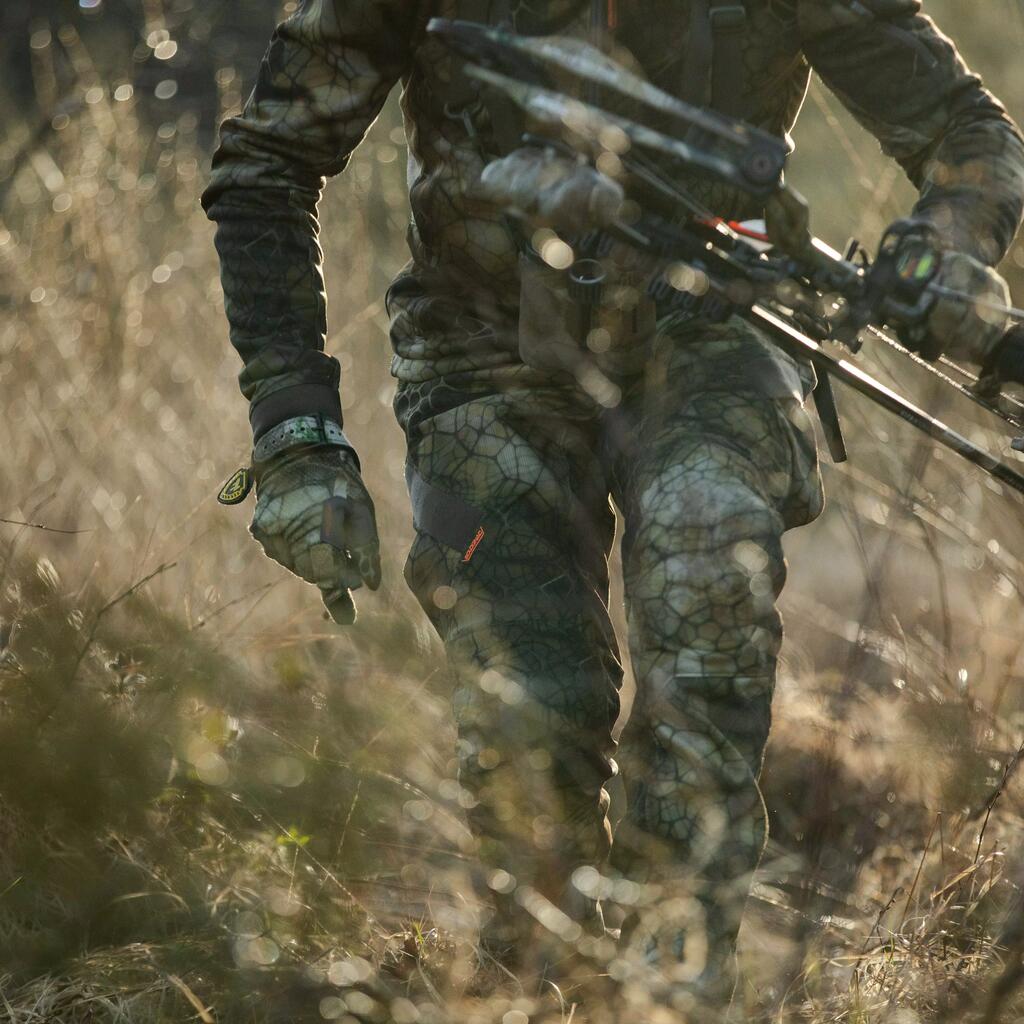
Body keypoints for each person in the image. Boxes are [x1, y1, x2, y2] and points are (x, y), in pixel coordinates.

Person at [202, 1, 1024, 1016]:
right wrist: (294, 428)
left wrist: (944, 246)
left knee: (703, 581)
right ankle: (537, 990)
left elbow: (965, 132)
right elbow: (267, 166)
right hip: (482, 357)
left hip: (712, 335)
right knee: (528, 724)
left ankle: (677, 989)